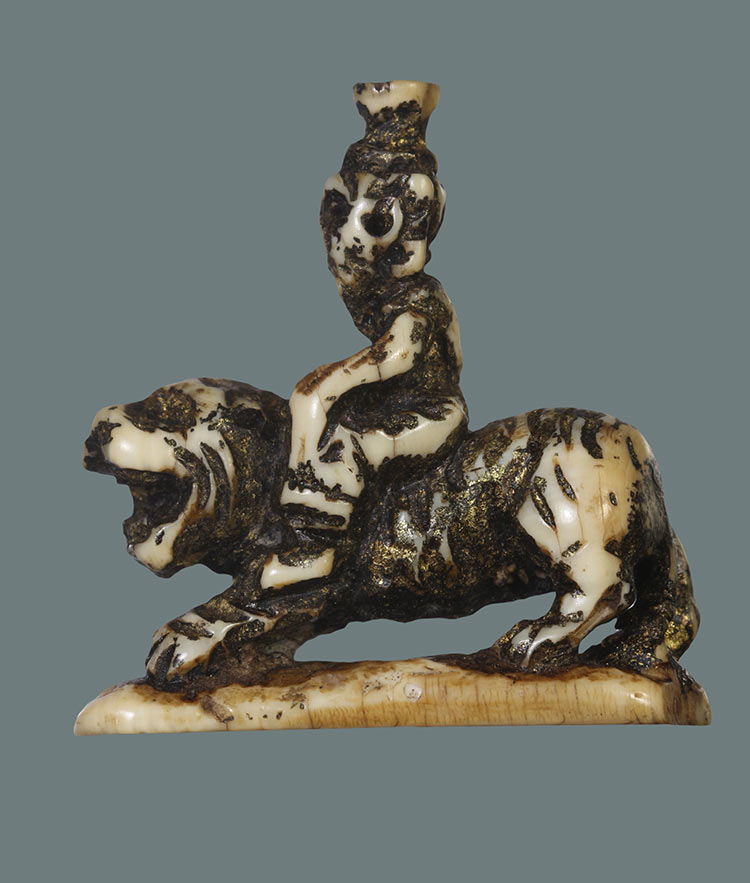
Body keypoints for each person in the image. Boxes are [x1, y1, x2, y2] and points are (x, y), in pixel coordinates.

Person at [261, 81, 467, 589]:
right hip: (395, 400)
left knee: (350, 443)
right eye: (342, 210)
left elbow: (399, 354)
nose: (349, 233)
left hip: (433, 411)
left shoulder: (419, 298)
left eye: (374, 218)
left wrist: (336, 380)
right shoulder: (382, 291)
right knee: (326, 417)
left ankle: (317, 549)